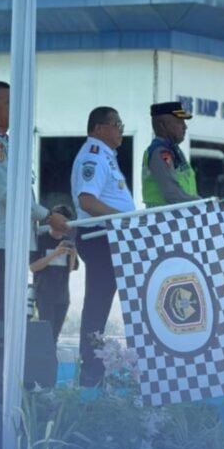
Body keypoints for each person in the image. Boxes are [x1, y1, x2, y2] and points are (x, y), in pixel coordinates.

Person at [0, 80, 69, 322]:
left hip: (13, 241)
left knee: (10, 312)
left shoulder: (7, 143)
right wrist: (48, 216)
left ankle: (4, 349)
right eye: (8, 104)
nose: (14, 110)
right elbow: (8, 194)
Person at [71, 106, 135, 386]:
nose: (121, 130)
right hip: (100, 238)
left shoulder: (106, 156)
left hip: (112, 237)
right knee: (97, 303)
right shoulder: (94, 157)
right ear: (99, 128)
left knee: (104, 302)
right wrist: (119, 218)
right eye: (116, 124)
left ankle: (98, 364)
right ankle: (91, 369)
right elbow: (87, 200)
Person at [29, 204, 78, 342]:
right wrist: (55, 253)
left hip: (62, 295)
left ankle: (52, 354)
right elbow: (33, 267)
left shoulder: (67, 241)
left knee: (55, 336)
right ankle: (45, 355)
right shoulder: (40, 239)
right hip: (44, 294)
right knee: (46, 335)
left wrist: (73, 255)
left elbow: (70, 270)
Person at [142, 101, 198, 207]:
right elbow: (172, 193)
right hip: (164, 215)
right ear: (162, 125)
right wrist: (202, 203)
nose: (185, 127)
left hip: (178, 214)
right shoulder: (160, 152)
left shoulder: (173, 150)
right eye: (179, 122)